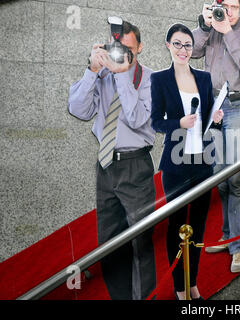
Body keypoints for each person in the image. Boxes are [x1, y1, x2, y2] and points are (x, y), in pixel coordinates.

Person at [68, 21, 157, 300]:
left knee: (140, 242)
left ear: (140, 47)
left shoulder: (153, 79)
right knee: (109, 244)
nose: (123, 55)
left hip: (136, 165)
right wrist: (92, 71)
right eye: (117, 48)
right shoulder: (101, 76)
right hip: (106, 166)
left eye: (128, 49)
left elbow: (138, 119)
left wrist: (120, 76)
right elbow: (78, 110)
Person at [150, 23, 224, 300]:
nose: (183, 49)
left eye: (188, 45)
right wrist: (177, 123)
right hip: (175, 164)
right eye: (178, 44)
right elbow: (156, 121)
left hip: (202, 163)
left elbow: (207, 122)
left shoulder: (203, 79)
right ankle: (180, 289)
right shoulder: (159, 79)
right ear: (168, 45)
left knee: (200, 226)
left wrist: (216, 121)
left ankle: (193, 282)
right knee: (176, 227)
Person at [191, 0, 240, 274]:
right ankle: (228, 235)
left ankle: (239, 247)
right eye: (224, 6)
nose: (228, 11)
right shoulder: (212, 29)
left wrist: (228, 32)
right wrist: (204, 24)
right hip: (215, 107)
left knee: (238, 177)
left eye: (234, 6)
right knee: (219, 176)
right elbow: (193, 51)